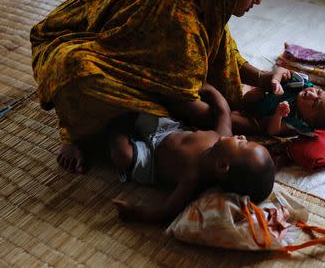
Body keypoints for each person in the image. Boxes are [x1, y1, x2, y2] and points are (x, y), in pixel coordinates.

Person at [30, 0, 289, 174]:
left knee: (159, 110)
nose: (258, 0)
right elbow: (185, 104)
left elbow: (224, 52)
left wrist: (263, 78)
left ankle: (118, 124)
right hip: (75, 47)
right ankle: (79, 133)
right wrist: (253, 123)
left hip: (133, 53)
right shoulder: (180, 17)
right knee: (77, 71)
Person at [109, 85, 275, 223]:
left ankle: (113, 127)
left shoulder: (193, 177)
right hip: (167, 129)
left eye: (242, 143)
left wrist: (134, 212)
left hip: (150, 161)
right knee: (148, 104)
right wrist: (206, 88)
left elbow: (166, 212)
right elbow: (223, 112)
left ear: (222, 165)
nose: (242, 136)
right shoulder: (220, 136)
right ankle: (127, 119)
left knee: (123, 156)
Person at [241, 72, 325, 136]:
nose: (311, 94)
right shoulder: (301, 83)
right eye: (318, 91)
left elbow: (272, 132)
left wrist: (278, 115)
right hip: (263, 93)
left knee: (258, 126)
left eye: (314, 104)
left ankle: (240, 107)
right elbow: (282, 70)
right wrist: (276, 80)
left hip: (258, 115)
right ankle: (241, 101)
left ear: (307, 120)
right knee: (261, 89)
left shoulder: (295, 120)